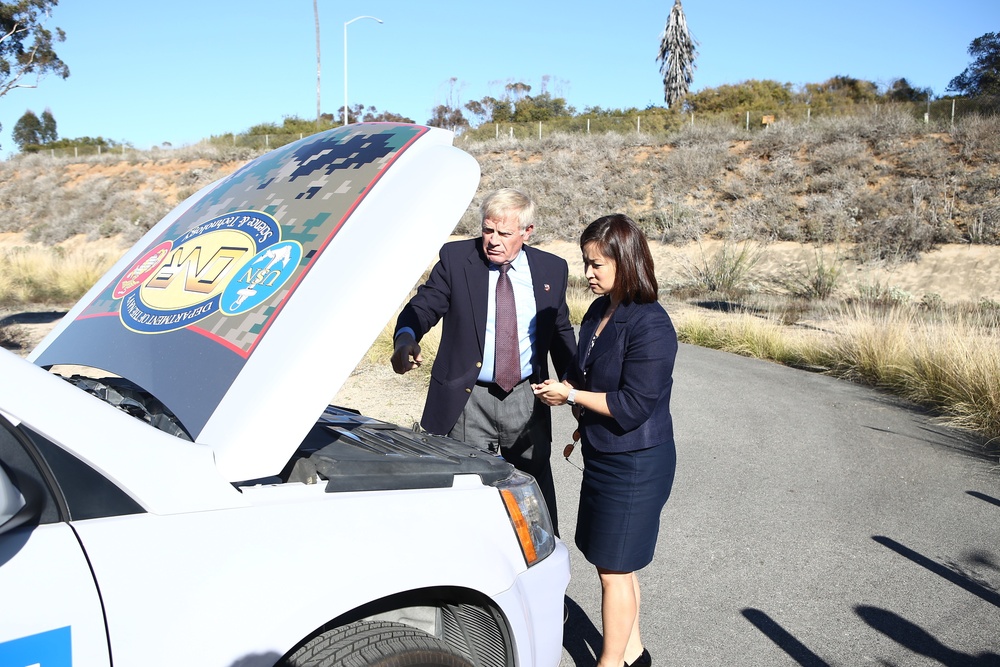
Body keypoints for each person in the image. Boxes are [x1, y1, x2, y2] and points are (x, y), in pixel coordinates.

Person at [533, 213, 678, 667]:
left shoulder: (651, 324)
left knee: (615, 570)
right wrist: (570, 395)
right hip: (604, 452)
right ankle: (634, 655)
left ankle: (609, 662)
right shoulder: (599, 310)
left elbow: (633, 405)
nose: (588, 274)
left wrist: (572, 394)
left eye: (597, 264)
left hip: (636, 462)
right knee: (612, 562)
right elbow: (587, 372)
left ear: (626, 261)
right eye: (585, 263)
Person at [391, 188, 577, 529]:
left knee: (532, 494)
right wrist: (406, 338)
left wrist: (575, 389)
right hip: (468, 397)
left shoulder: (552, 269)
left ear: (527, 232)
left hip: (527, 396)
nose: (492, 240)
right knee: (466, 491)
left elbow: (561, 332)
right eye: (487, 230)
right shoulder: (456, 259)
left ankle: (543, 565)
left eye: (504, 233)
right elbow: (424, 306)